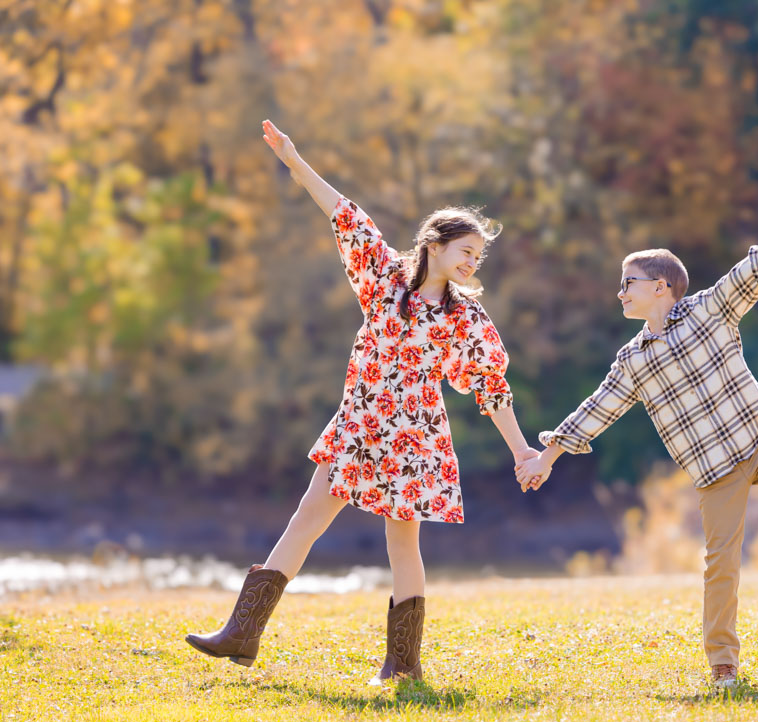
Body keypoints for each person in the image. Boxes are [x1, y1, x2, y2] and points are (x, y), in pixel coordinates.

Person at [186, 120, 538, 684]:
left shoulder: (464, 317)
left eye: (479, 256)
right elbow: (345, 215)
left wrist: (522, 451)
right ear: (436, 245)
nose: (473, 263)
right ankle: (242, 634)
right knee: (306, 517)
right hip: (359, 425)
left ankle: (402, 665)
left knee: (402, 540)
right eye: (465, 251)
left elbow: (491, 386)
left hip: (415, 436)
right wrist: (296, 163)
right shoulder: (384, 279)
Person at [515, 205, 758, 690]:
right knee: (720, 566)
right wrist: (547, 456)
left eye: (629, 282)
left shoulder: (708, 309)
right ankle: (723, 664)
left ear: (660, 286)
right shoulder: (633, 359)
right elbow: (596, 409)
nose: (620, 292)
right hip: (714, 473)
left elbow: (748, 272)